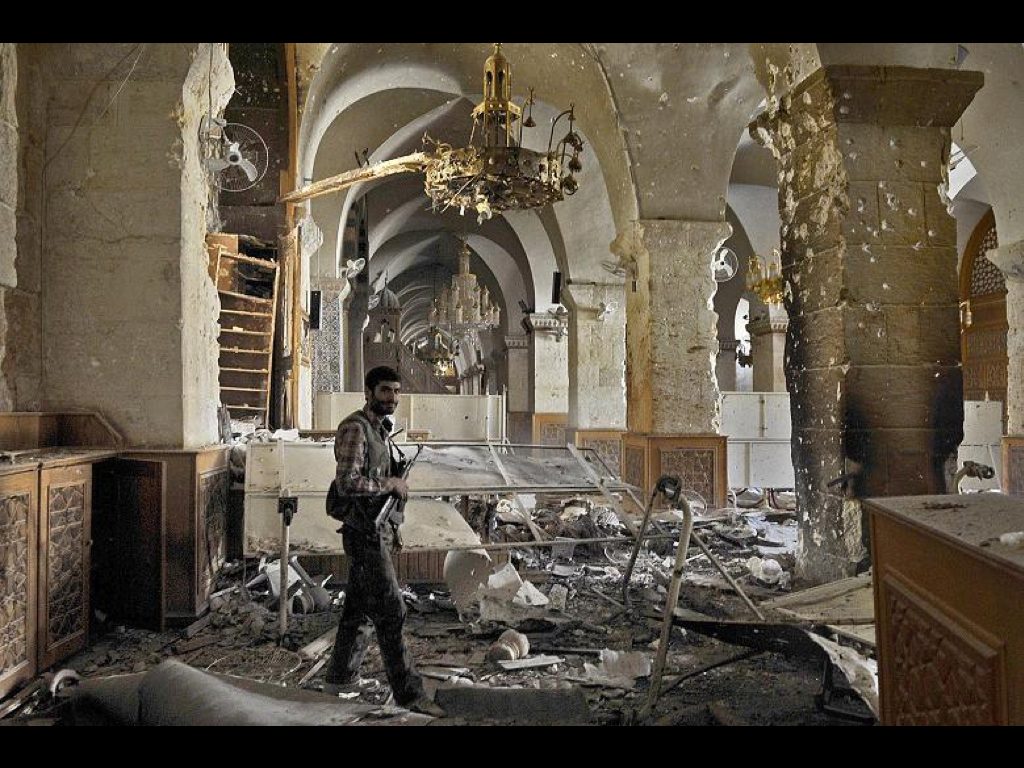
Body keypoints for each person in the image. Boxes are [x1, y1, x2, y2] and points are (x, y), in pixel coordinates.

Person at [323, 365, 444, 717]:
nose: (391, 398)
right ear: (369, 392)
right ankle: (410, 695)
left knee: (358, 609)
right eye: (384, 391)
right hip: (363, 534)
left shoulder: (381, 431)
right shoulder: (355, 428)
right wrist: (389, 485)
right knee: (392, 609)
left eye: (395, 391)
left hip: (380, 531)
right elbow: (347, 482)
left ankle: (339, 680)